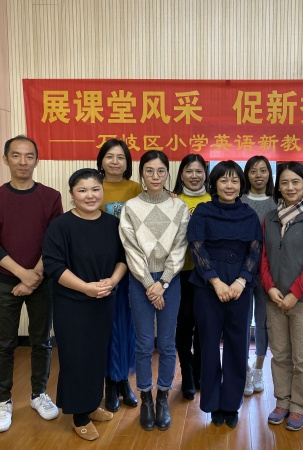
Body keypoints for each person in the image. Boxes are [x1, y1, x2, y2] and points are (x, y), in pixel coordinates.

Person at [0, 135, 62, 433]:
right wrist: (22, 274)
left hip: (42, 280)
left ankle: (39, 394)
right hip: (5, 281)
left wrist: (34, 276)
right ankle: (3, 401)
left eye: (29, 156)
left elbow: (54, 240)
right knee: (4, 344)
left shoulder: (51, 197)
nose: (23, 162)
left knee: (41, 341)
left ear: (37, 160)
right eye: (16, 155)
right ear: (6, 159)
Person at [42, 168, 128, 441]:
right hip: (72, 303)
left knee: (96, 355)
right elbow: (54, 266)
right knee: (75, 357)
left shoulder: (112, 224)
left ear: (102, 191)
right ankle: (79, 415)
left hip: (103, 301)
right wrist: (86, 288)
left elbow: (123, 258)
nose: (90, 195)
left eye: (95, 189)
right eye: (82, 190)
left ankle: (91, 404)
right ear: (72, 194)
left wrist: (112, 281)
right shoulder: (61, 225)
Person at [188, 160, 262, 429]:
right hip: (208, 285)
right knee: (207, 345)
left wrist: (242, 281)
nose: (229, 185)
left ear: (241, 185)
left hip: (241, 286)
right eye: (223, 180)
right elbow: (197, 248)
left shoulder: (249, 214)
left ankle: (231, 404)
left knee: (237, 345)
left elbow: (255, 250)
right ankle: (212, 404)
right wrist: (215, 281)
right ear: (214, 184)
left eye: (234, 180)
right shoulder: (203, 212)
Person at [119, 150, 189, 431]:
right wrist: (150, 283)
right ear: (142, 174)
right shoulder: (131, 207)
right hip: (140, 280)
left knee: (168, 343)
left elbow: (180, 247)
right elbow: (130, 248)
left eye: (161, 171)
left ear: (167, 173)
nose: (155, 176)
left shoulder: (179, 207)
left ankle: (163, 397)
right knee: (145, 343)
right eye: (149, 171)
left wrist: (163, 283)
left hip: (170, 281)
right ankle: (146, 397)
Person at [261, 162, 303, 432]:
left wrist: (295, 293)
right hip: (274, 298)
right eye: (285, 182)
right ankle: (282, 402)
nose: (290, 187)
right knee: (280, 354)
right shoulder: (270, 218)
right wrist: (269, 287)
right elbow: (263, 257)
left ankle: (299, 405)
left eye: (296, 182)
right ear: (278, 186)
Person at [96, 138, 141, 411]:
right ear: (101, 160)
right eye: (110, 156)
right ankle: (110, 383)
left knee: (128, 325)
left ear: (127, 163)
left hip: (132, 263)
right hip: (102, 265)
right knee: (108, 325)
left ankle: (124, 380)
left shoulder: (136, 188)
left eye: (120, 157)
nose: (115, 161)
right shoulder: (94, 185)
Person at [172, 154, 211, 400]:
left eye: (199, 171)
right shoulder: (172, 200)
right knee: (184, 323)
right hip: (180, 272)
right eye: (189, 171)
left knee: (205, 324)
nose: (194, 176)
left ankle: (200, 372)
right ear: (181, 174)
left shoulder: (214, 200)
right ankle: (186, 373)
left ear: (206, 174)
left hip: (207, 274)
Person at [241, 155, 276, 396]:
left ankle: (259, 368)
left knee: (263, 322)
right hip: (242, 273)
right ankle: (244, 370)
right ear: (247, 174)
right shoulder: (239, 201)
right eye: (253, 171)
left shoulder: (276, 203)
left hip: (267, 273)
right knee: (242, 321)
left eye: (263, 170)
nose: (258, 175)